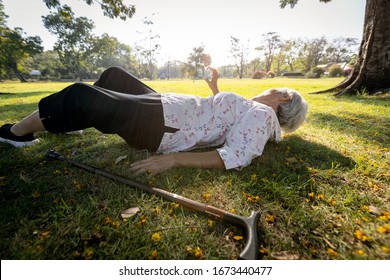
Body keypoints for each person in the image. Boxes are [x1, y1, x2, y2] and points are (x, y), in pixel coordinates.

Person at [0, 67, 308, 177]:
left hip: (163, 125)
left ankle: (16, 133)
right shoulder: (255, 112)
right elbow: (220, 118)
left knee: (81, 95)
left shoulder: (262, 116)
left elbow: (237, 155)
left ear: (281, 99)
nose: (264, 92)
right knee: (114, 75)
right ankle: (75, 120)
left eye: (271, 90)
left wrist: (173, 160)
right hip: (167, 108)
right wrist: (215, 89)